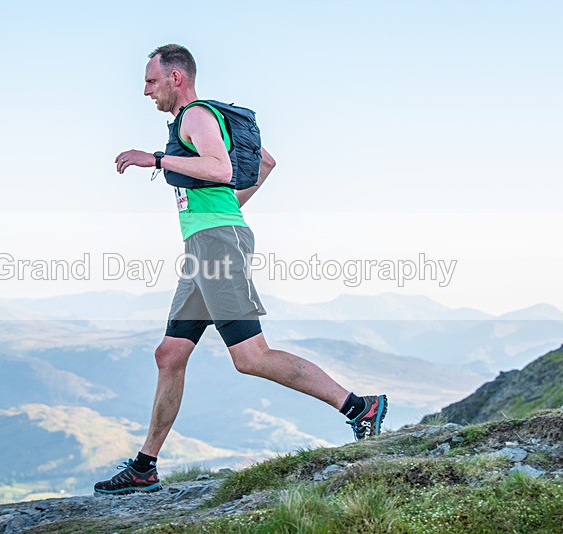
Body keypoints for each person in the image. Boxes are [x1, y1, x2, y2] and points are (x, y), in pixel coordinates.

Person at [95, 44, 387, 495]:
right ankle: (144, 466)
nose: (146, 90)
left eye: (151, 81)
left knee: (250, 357)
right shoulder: (199, 119)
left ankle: (359, 408)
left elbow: (219, 166)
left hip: (215, 246)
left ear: (176, 78)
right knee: (169, 354)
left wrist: (153, 159)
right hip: (208, 243)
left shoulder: (194, 116)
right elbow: (264, 163)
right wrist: (230, 210)